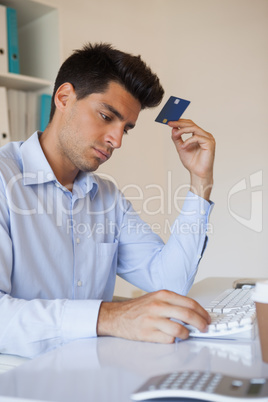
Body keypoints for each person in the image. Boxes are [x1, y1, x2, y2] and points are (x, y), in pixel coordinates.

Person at [0, 43, 215, 358]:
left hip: (96, 371)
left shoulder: (108, 197)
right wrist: (110, 316)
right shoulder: (5, 180)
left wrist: (200, 181)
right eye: (105, 116)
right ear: (64, 98)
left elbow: (168, 281)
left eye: (125, 129)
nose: (116, 140)